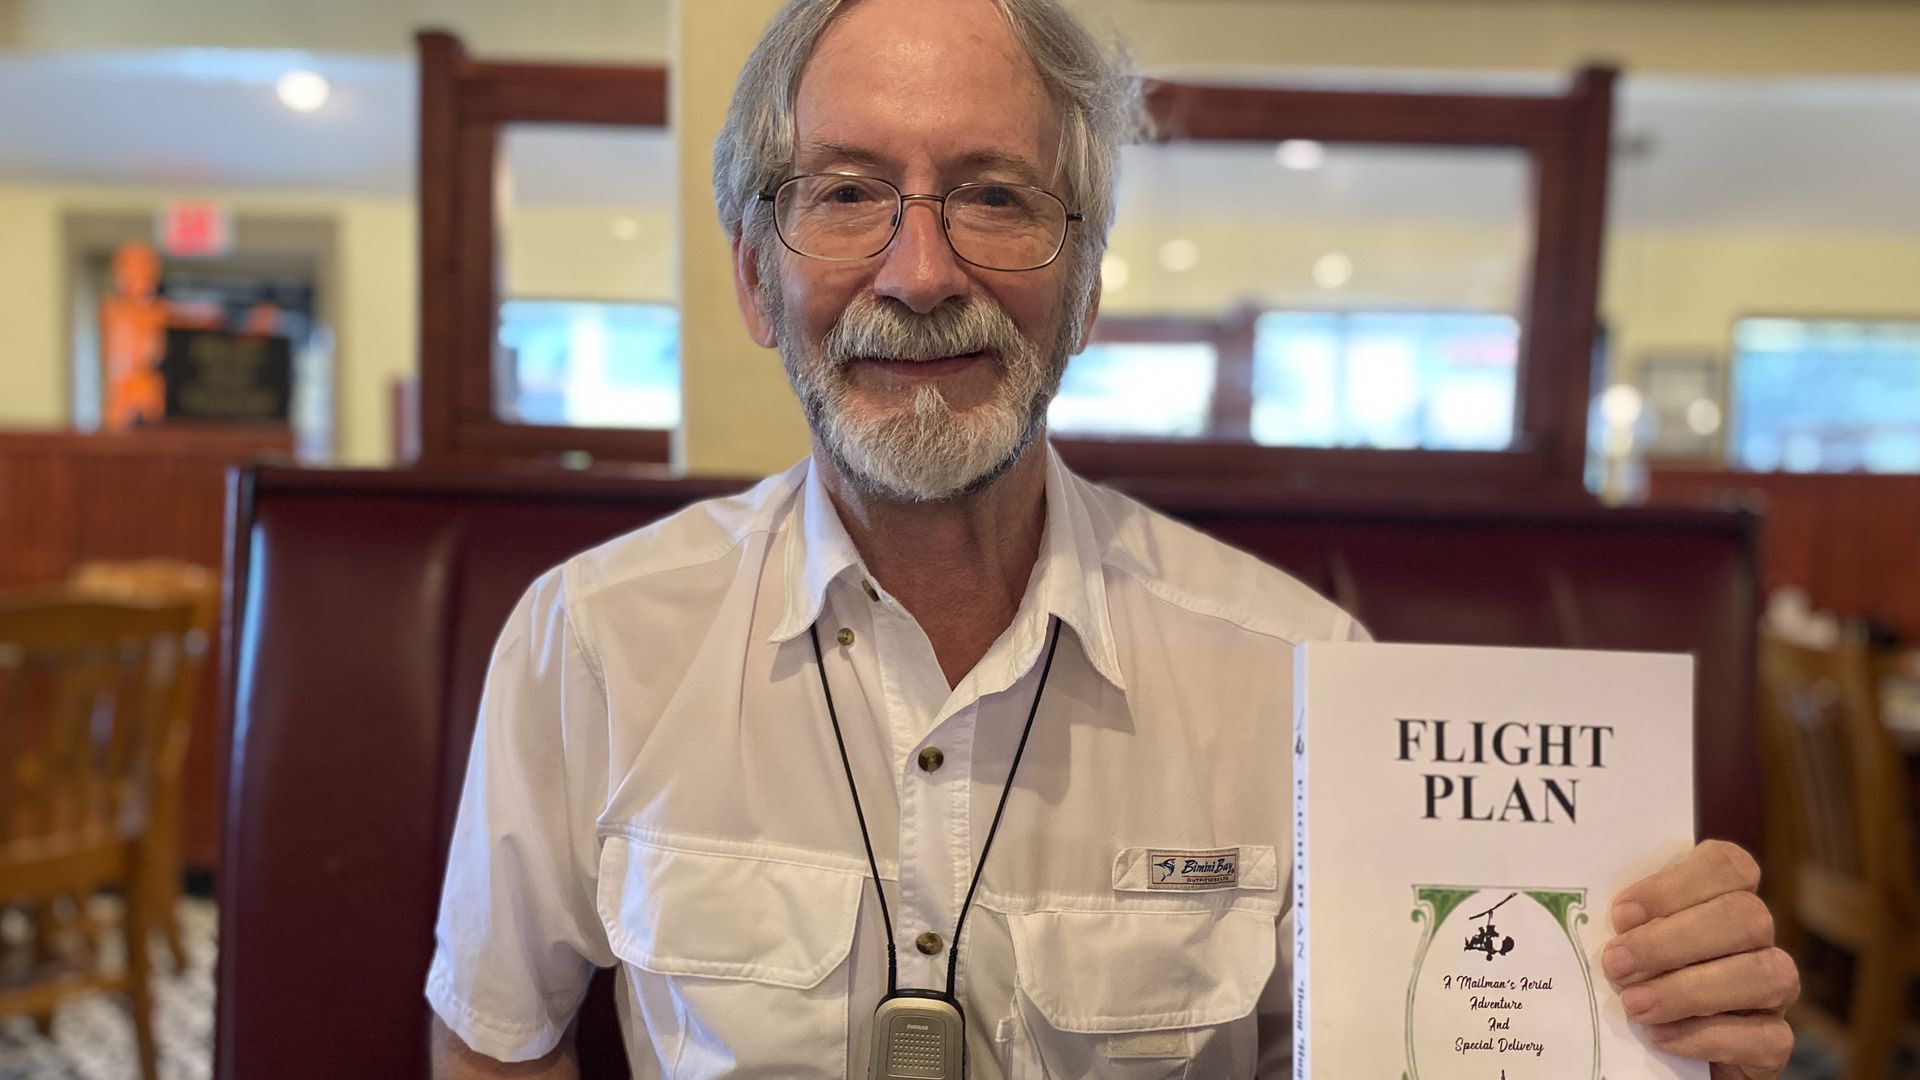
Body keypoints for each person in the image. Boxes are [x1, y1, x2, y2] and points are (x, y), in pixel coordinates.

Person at [426, 1, 1799, 1076]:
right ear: (754, 277)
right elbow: (494, 1039)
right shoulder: (589, 642)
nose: (920, 273)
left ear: (1085, 290)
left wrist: (1639, 1020)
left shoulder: (1305, 674)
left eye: (996, 196)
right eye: (845, 192)